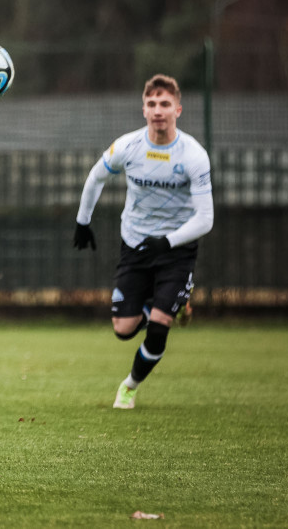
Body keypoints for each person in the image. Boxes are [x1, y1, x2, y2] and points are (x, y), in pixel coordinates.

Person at [73, 74, 213, 409]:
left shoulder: (193, 156)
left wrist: (167, 242)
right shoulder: (128, 147)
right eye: (152, 104)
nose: (158, 110)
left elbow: (205, 219)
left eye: (165, 104)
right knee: (123, 329)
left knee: (161, 324)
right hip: (134, 245)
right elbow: (95, 176)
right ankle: (165, 304)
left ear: (178, 109)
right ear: (143, 109)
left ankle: (130, 386)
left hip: (177, 251)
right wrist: (82, 221)